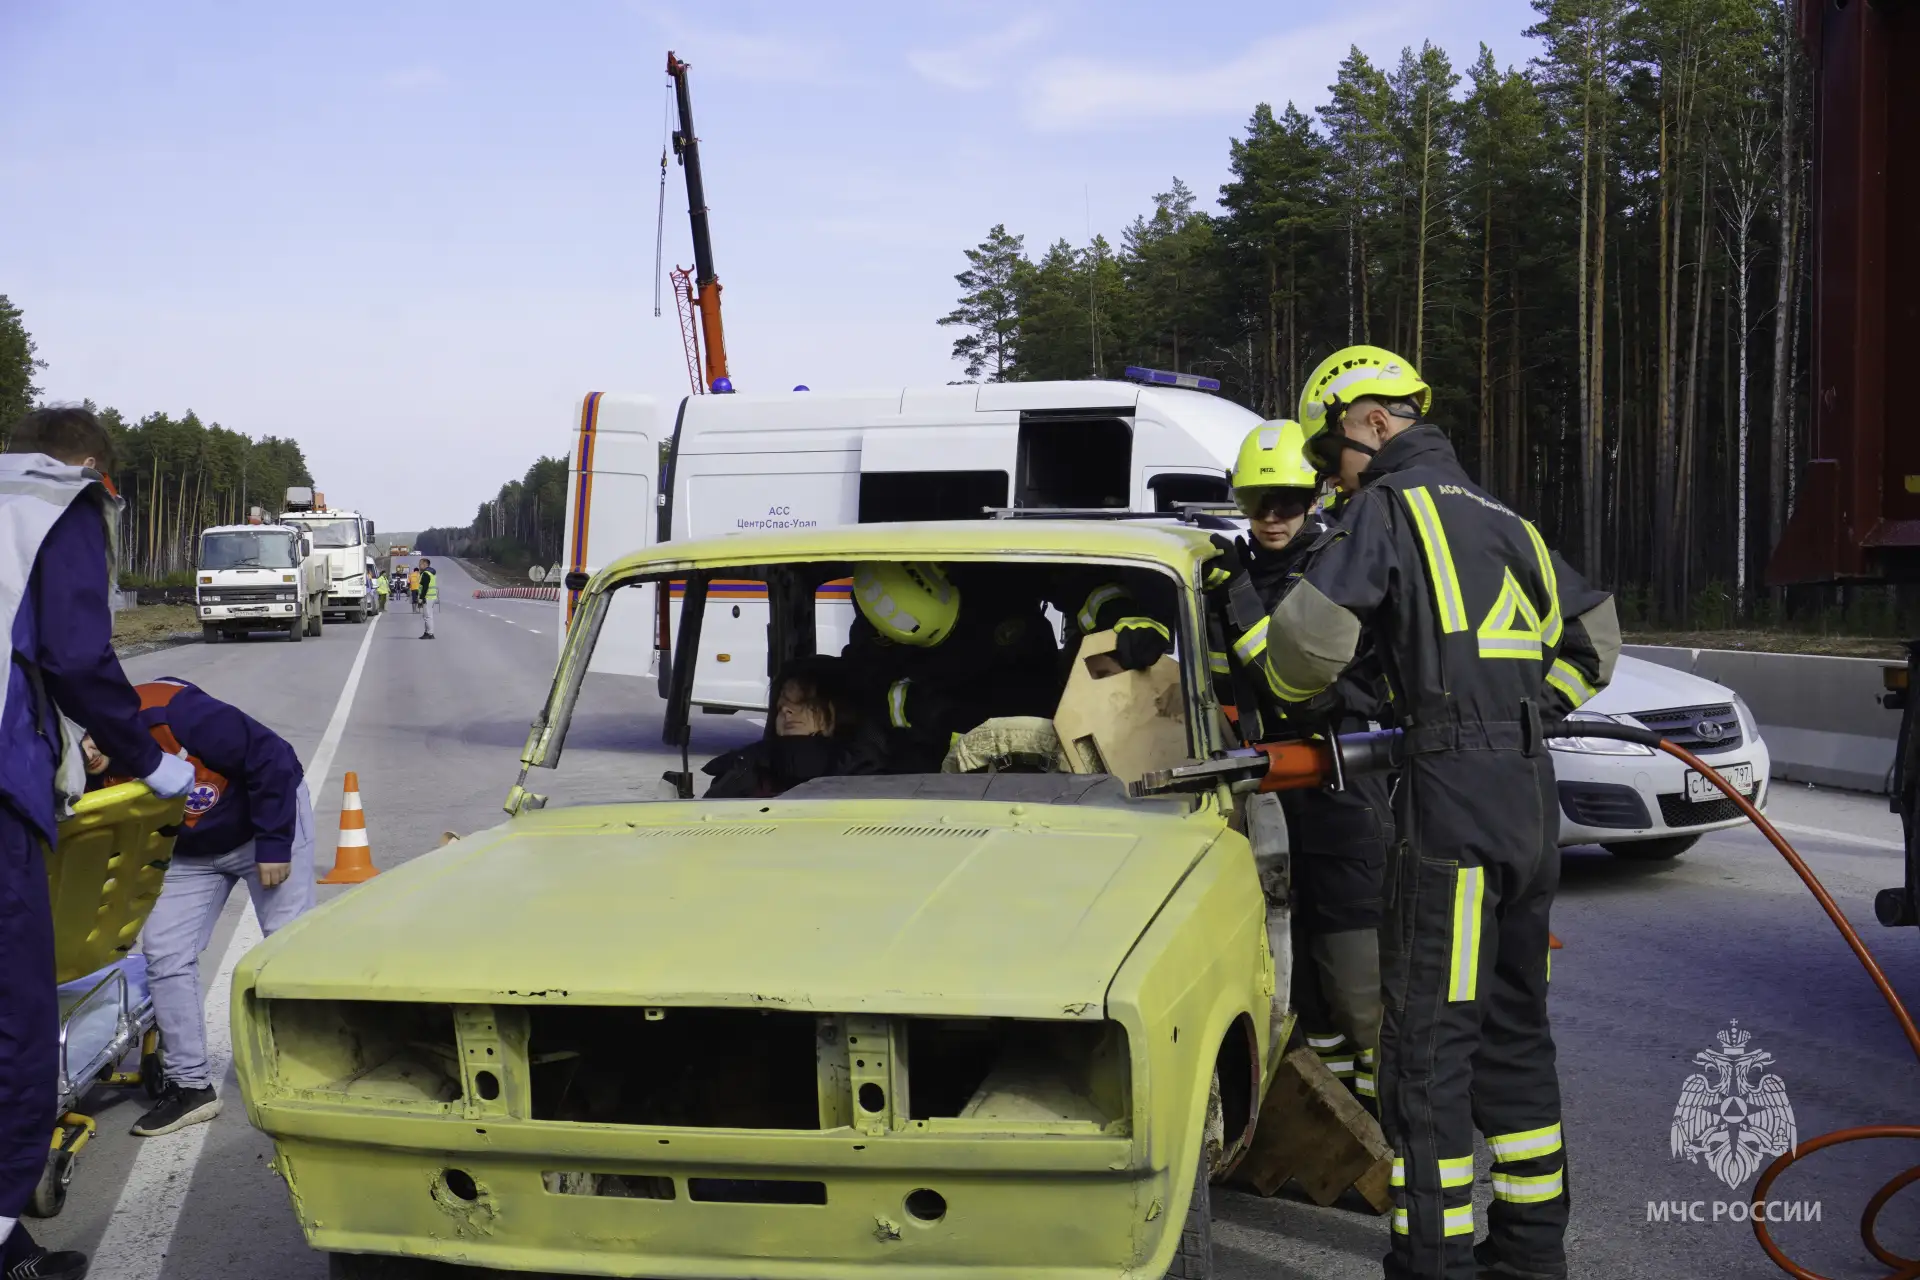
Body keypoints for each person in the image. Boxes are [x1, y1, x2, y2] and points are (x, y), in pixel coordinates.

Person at [1248, 346, 1618, 1280]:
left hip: (1451, 802)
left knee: (1426, 1045)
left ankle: (1433, 1261)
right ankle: (1530, 1254)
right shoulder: (1507, 518)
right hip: (1529, 799)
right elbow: (1598, 641)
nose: (1330, 478)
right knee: (1515, 1029)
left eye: (1330, 454)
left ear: (1372, 422)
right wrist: (1520, 711)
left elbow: (1303, 650)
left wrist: (1307, 691)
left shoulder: (1387, 507)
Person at [0, 407, 197, 1280]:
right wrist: (146, 759)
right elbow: (76, 655)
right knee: (16, 1029)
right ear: (91, 468)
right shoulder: (54, 502)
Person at [1209, 420, 1395, 1108]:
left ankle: (1401, 1130)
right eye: (1258, 501)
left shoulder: (1335, 573)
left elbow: (1297, 684)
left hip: (1340, 799)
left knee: (1358, 990)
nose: (1272, 516)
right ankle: (1340, 1123)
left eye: (1287, 500)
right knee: (1298, 994)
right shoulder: (1225, 575)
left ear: (1314, 497)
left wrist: (1238, 596)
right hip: (1264, 803)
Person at [81, 677, 314, 1137]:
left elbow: (271, 757)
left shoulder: (172, 712)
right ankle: (190, 1086)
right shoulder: (83, 773)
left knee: (288, 948)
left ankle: (310, 1069)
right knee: (165, 953)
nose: (88, 753)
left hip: (260, 826)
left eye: (91, 739)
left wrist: (274, 843)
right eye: (78, 746)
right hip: (188, 851)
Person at [702, 656, 882, 797]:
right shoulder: (749, 771)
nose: (786, 710)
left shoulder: (865, 771)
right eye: (781, 706)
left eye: (802, 702)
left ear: (838, 710)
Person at [417, 557, 438, 639]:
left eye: (420, 564)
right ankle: (426, 632)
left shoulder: (426, 574)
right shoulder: (431, 573)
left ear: (425, 564)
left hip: (427, 597)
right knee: (427, 615)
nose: (419, 566)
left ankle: (430, 633)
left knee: (427, 616)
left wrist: (421, 598)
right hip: (431, 597)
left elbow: (425, 587)